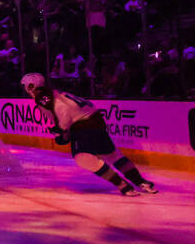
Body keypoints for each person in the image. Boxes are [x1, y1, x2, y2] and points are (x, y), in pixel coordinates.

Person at [20, 73, 156, 196]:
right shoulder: (52, 92)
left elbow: (63, 112)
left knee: (83, 157)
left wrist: (61, 130)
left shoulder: (42, 98)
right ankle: (141, 182)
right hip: (94, 120)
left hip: (84, 124)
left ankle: (121, 184)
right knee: (112, 155)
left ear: (30, 86)